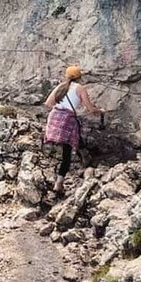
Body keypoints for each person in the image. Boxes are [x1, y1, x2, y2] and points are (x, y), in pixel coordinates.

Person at [44, 65, 103, 196]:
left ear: (66, 76)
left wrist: (60, 108)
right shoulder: (80, 88)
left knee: (52, 148)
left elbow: (48, 103)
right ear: (80, 77)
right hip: (67, 120)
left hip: (54, 117)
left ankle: (54, 162)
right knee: (67, 153)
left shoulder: (60, 87)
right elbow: (90, 109)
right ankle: (58, 184)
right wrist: (100, 111)